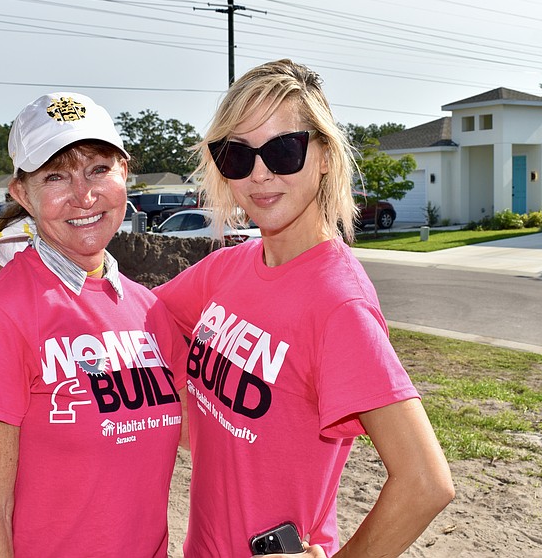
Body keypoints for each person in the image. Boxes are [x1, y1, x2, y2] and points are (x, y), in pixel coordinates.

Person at [152, 59, 454, 557]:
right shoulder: (227, 269)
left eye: (283, 149)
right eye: (237, 156)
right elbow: (137, 325)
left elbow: (425, 483)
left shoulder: (338, 305)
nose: (260, 174)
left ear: (325, 156)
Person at [0, 92, 187, 558]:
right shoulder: (0, 318)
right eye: (56, 176)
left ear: (125, 174)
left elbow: (211, 437)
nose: (84, 195)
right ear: (22, 194)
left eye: (98, 169)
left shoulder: (149, 311)